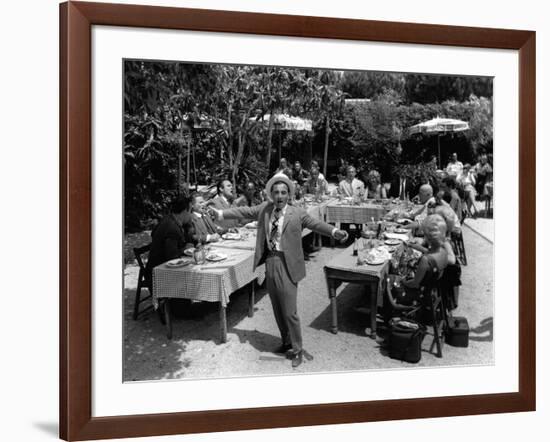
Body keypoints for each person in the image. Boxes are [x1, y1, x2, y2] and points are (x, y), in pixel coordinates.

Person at [209, 173, 348, 368]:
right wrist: (221, 214)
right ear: (271, 195)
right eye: (276, 192)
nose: (280, 196)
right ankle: (286, 342)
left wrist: (334, 231)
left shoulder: (297, 213)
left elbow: (315, 224)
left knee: (290, 311)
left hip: (288, 264)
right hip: (271, 262)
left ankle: (298, 349)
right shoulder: (265, 209)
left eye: (283, 192)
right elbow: (244, 211)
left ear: (289, 194)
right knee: (277, 307)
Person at [392, 215, 449, 306]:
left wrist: (402, 281)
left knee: (390, 283)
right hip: (433, 290)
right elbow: (432, 254)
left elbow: (414, 284)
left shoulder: (425, 260)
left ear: (427, 237)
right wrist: (418, 248)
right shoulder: (443, 252)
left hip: (420, 295)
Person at [145, 195, 195, 281]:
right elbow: (172, 257)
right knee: (195, 277)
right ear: (184, 211)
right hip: (159, 273)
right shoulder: (172, 228)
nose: (191, 214)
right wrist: (185, 249)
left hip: (157, 267)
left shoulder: (169, 219)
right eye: (190, 211)